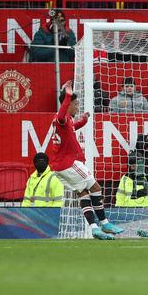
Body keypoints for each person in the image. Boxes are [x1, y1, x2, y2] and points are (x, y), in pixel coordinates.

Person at [52, 81, 123, 240]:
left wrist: (83, 122)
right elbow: (63, 115)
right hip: (69, 163)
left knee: (83, 193)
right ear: (67, 104)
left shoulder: (65, 122)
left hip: (59, 167)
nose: (77, 107)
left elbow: (70, 128)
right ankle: (104, 222)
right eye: (75, 104)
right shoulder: (60, 118)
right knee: (96, 188)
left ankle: (94, 228)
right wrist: (68, 94)